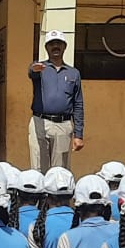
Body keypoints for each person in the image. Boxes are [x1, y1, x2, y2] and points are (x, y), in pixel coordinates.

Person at [27, 31, 84, 171]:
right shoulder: (40, 68)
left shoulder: (73, 73)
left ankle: (55, 194)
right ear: (46, 48)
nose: (55, 46)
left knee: (60, 172)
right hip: (39, 123)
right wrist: (34, 68)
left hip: (63, 125)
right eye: (52, 44)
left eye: (59, 43)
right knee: (38, 168)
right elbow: (31, 72)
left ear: (64, 47)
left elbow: (78, 104)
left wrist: (79, 134)